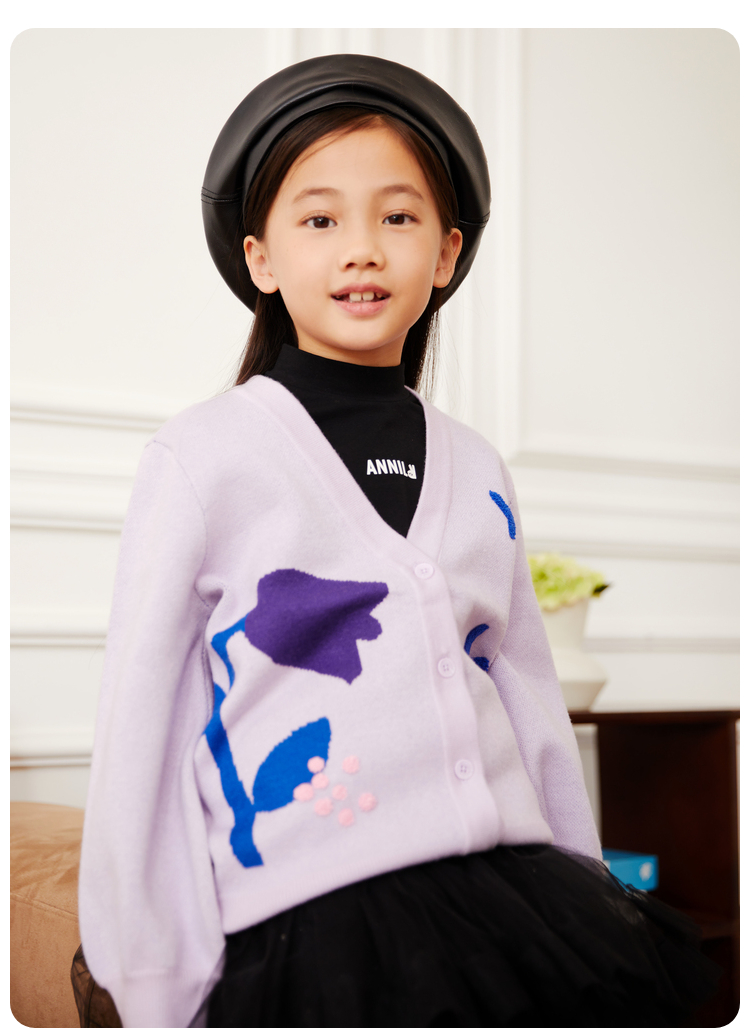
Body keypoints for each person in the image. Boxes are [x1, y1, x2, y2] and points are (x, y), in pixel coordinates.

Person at [74, 54, 718, 1028]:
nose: (362, 250)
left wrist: (586, 886)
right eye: (320, 220)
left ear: (447, 254)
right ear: (260, 259)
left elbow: (530, 702)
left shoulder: (480, 468)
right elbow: (143, 730)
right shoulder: (202, 459)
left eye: (399, 217)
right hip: (313, 918)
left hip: (513, 894)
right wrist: (156, 982)